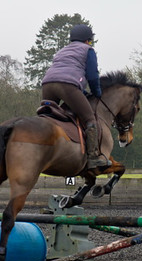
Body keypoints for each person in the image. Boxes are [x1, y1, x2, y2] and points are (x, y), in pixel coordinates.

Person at [41, 24, 110, 169]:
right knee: (90, 118)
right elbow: (92, 76)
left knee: (48, 117)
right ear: (88, 40)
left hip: (47, 84)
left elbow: (63, 71)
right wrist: (97, 93)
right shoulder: (88, 50)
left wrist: (82, 92)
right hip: (67, 86)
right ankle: (92, 157)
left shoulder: (61, 51)